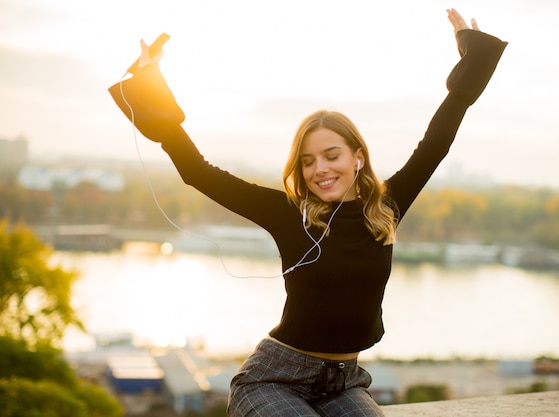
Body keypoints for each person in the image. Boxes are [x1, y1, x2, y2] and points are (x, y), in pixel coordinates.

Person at [109, 8, 506, 417]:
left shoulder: (386, 207)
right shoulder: (287, 213)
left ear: (358, 157)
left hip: (345, 382)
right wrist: (149, 84)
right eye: (308, 161)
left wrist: (472, 60)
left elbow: (436, 143)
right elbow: (197, 172)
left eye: (331, 155)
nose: (319, 169)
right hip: (272, 379)